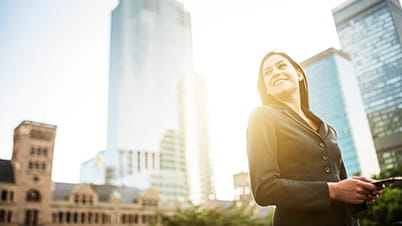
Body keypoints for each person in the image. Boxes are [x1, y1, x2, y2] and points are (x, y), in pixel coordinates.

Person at [246, 51, 382, 226]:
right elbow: (264, 189)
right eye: (268, 72)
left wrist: (359, 192)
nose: (275, 73)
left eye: (281, 66)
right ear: (266, 87)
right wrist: (333, 191)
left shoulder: (328, 130)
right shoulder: (262, 116)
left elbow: (341, 184)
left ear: (299, 75)